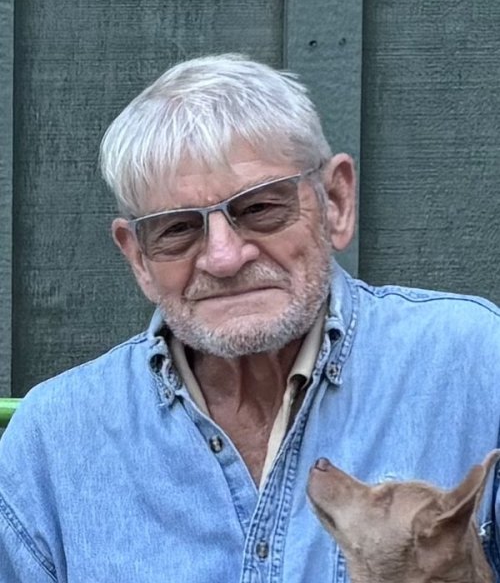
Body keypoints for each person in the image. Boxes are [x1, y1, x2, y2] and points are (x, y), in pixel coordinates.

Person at [0, 53, 499, 583]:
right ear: (139, 258)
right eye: (177, 229)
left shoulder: (476, 363)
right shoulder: (54, 438)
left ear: (335, 201)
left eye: (260, 208)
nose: (224, 257)